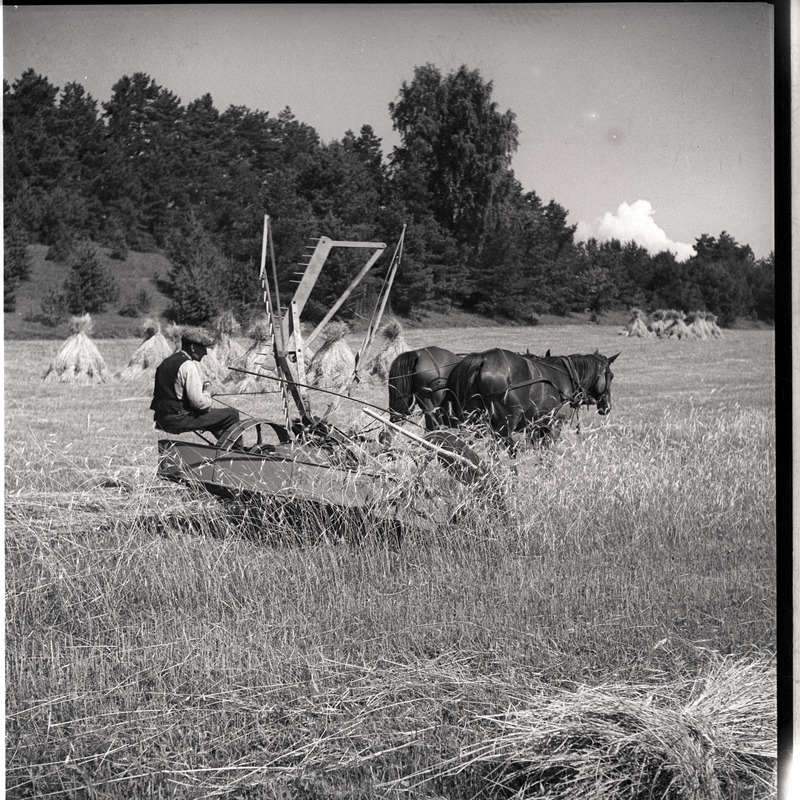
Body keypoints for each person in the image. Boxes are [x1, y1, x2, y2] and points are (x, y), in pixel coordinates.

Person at [151, 327, 240, 442]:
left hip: (161, 418)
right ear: (193, 348)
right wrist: (208, 393)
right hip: (178, 419)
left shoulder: (166, 362)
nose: (205, 353)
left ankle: (224, 446)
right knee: (232, 414)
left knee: (213, 417)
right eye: (203, 348)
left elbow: (173, 393)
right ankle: (237, 450)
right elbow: (199, 404)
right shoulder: (188, 365)